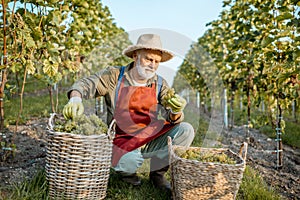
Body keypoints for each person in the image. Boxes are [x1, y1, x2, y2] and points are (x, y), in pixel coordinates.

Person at [63, 33, 195, 192]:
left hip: (149, 136)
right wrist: (75, 98)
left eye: (156, 62)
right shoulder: (114, 76)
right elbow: (85, 84)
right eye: (148, 59)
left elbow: (172, 118)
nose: (152, 65)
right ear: (135, 56)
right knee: (129, 163)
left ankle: (157, 175)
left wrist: (175, 111)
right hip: (122, 139)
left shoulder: (160, 83)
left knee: (185, 130)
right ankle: (128, 176)